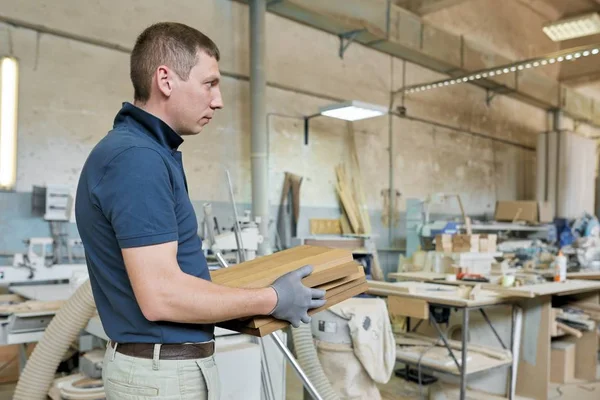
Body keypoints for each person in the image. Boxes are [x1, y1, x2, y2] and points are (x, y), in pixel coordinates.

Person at [75, 22, 326, 400]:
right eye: (210, 83)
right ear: (166, 79)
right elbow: (161, 295)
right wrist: (273, 298)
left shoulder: (149, 152)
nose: (219, 100)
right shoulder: (137, 158)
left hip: (165, 370)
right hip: (161, 376)